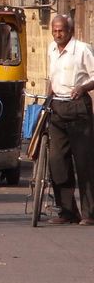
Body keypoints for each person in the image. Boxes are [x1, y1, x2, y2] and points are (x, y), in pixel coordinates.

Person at [44, 15, 94, 225]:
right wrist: (46, 102)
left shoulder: (82, 50)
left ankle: (89, 213)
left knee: (83, 162)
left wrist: (83, 87)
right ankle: (67, 211)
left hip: (78, 108)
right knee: (57, 161)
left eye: (61, 30)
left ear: (70, 31)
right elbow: (51, 79)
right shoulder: (51, 49)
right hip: (57, 106)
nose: (58, 34)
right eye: (55, 31)